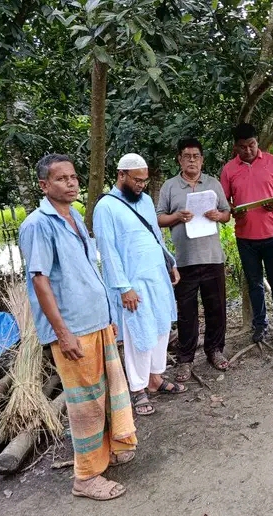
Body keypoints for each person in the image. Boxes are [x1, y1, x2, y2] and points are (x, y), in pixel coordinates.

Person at [19, 154, 137, 501]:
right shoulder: (39, 224)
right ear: (44, 185)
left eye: (73, 177)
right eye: (61, 179)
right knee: (86, 405)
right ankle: (86, 476)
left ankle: (111, 448)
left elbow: (86, 273)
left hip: (95, 322)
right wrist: (62, 333)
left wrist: (108, 316)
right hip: (73, 328)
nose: (71, 183)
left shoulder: (73, 219)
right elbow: (40, 281)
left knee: (108, 394)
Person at [93, 153, 185, 416]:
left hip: (157, 276)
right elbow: (107, 251)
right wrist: (124, 288)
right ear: (121, 174)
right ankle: (138, 388)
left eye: (145, 180)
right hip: (133, 283)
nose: (141, 185)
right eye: (137, 180)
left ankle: (156, 378)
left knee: (161, 328)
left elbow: (156, 236)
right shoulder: (106, 207)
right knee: (139, 335)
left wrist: (170, 263)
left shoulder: (144, 201)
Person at [156, 138, 231, 383]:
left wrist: (218, 215)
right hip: (184, 260)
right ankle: (185, 359)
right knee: (187, 312)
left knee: (216, 307)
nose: (191, 160)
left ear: (202, 159)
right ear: (179, 159)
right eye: (186, 156)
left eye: (196, 156)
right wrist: (177, 216)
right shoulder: (170, 186)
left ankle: (215, 350)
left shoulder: (212, 184)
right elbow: (158, 219)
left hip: (212, 257)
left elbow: (227, 214)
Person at [220, 123, 273, 347]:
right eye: (243, 147)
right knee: (254, 283)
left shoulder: (272, 162)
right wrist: (234, 209)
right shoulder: (229, 170)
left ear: (257, 141)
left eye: (251, 145)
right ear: (236, 147)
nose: (248, 150)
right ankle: (260, 325)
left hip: (271, 234)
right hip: (245, 237)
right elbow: (224, 201)